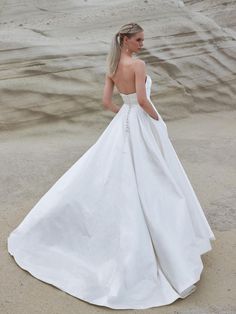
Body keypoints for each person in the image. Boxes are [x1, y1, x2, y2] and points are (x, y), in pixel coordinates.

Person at [7, 22, 216, 310]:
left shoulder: (112, 65)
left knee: (113, 176)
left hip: (124, 122)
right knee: (154, 179)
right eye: (139, 39)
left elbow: (106, 102)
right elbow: (143, 100)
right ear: (126, 40)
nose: (142, 44)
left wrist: (124, 115)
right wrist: (158, 122)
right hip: (141, 122)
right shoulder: (138, 65)